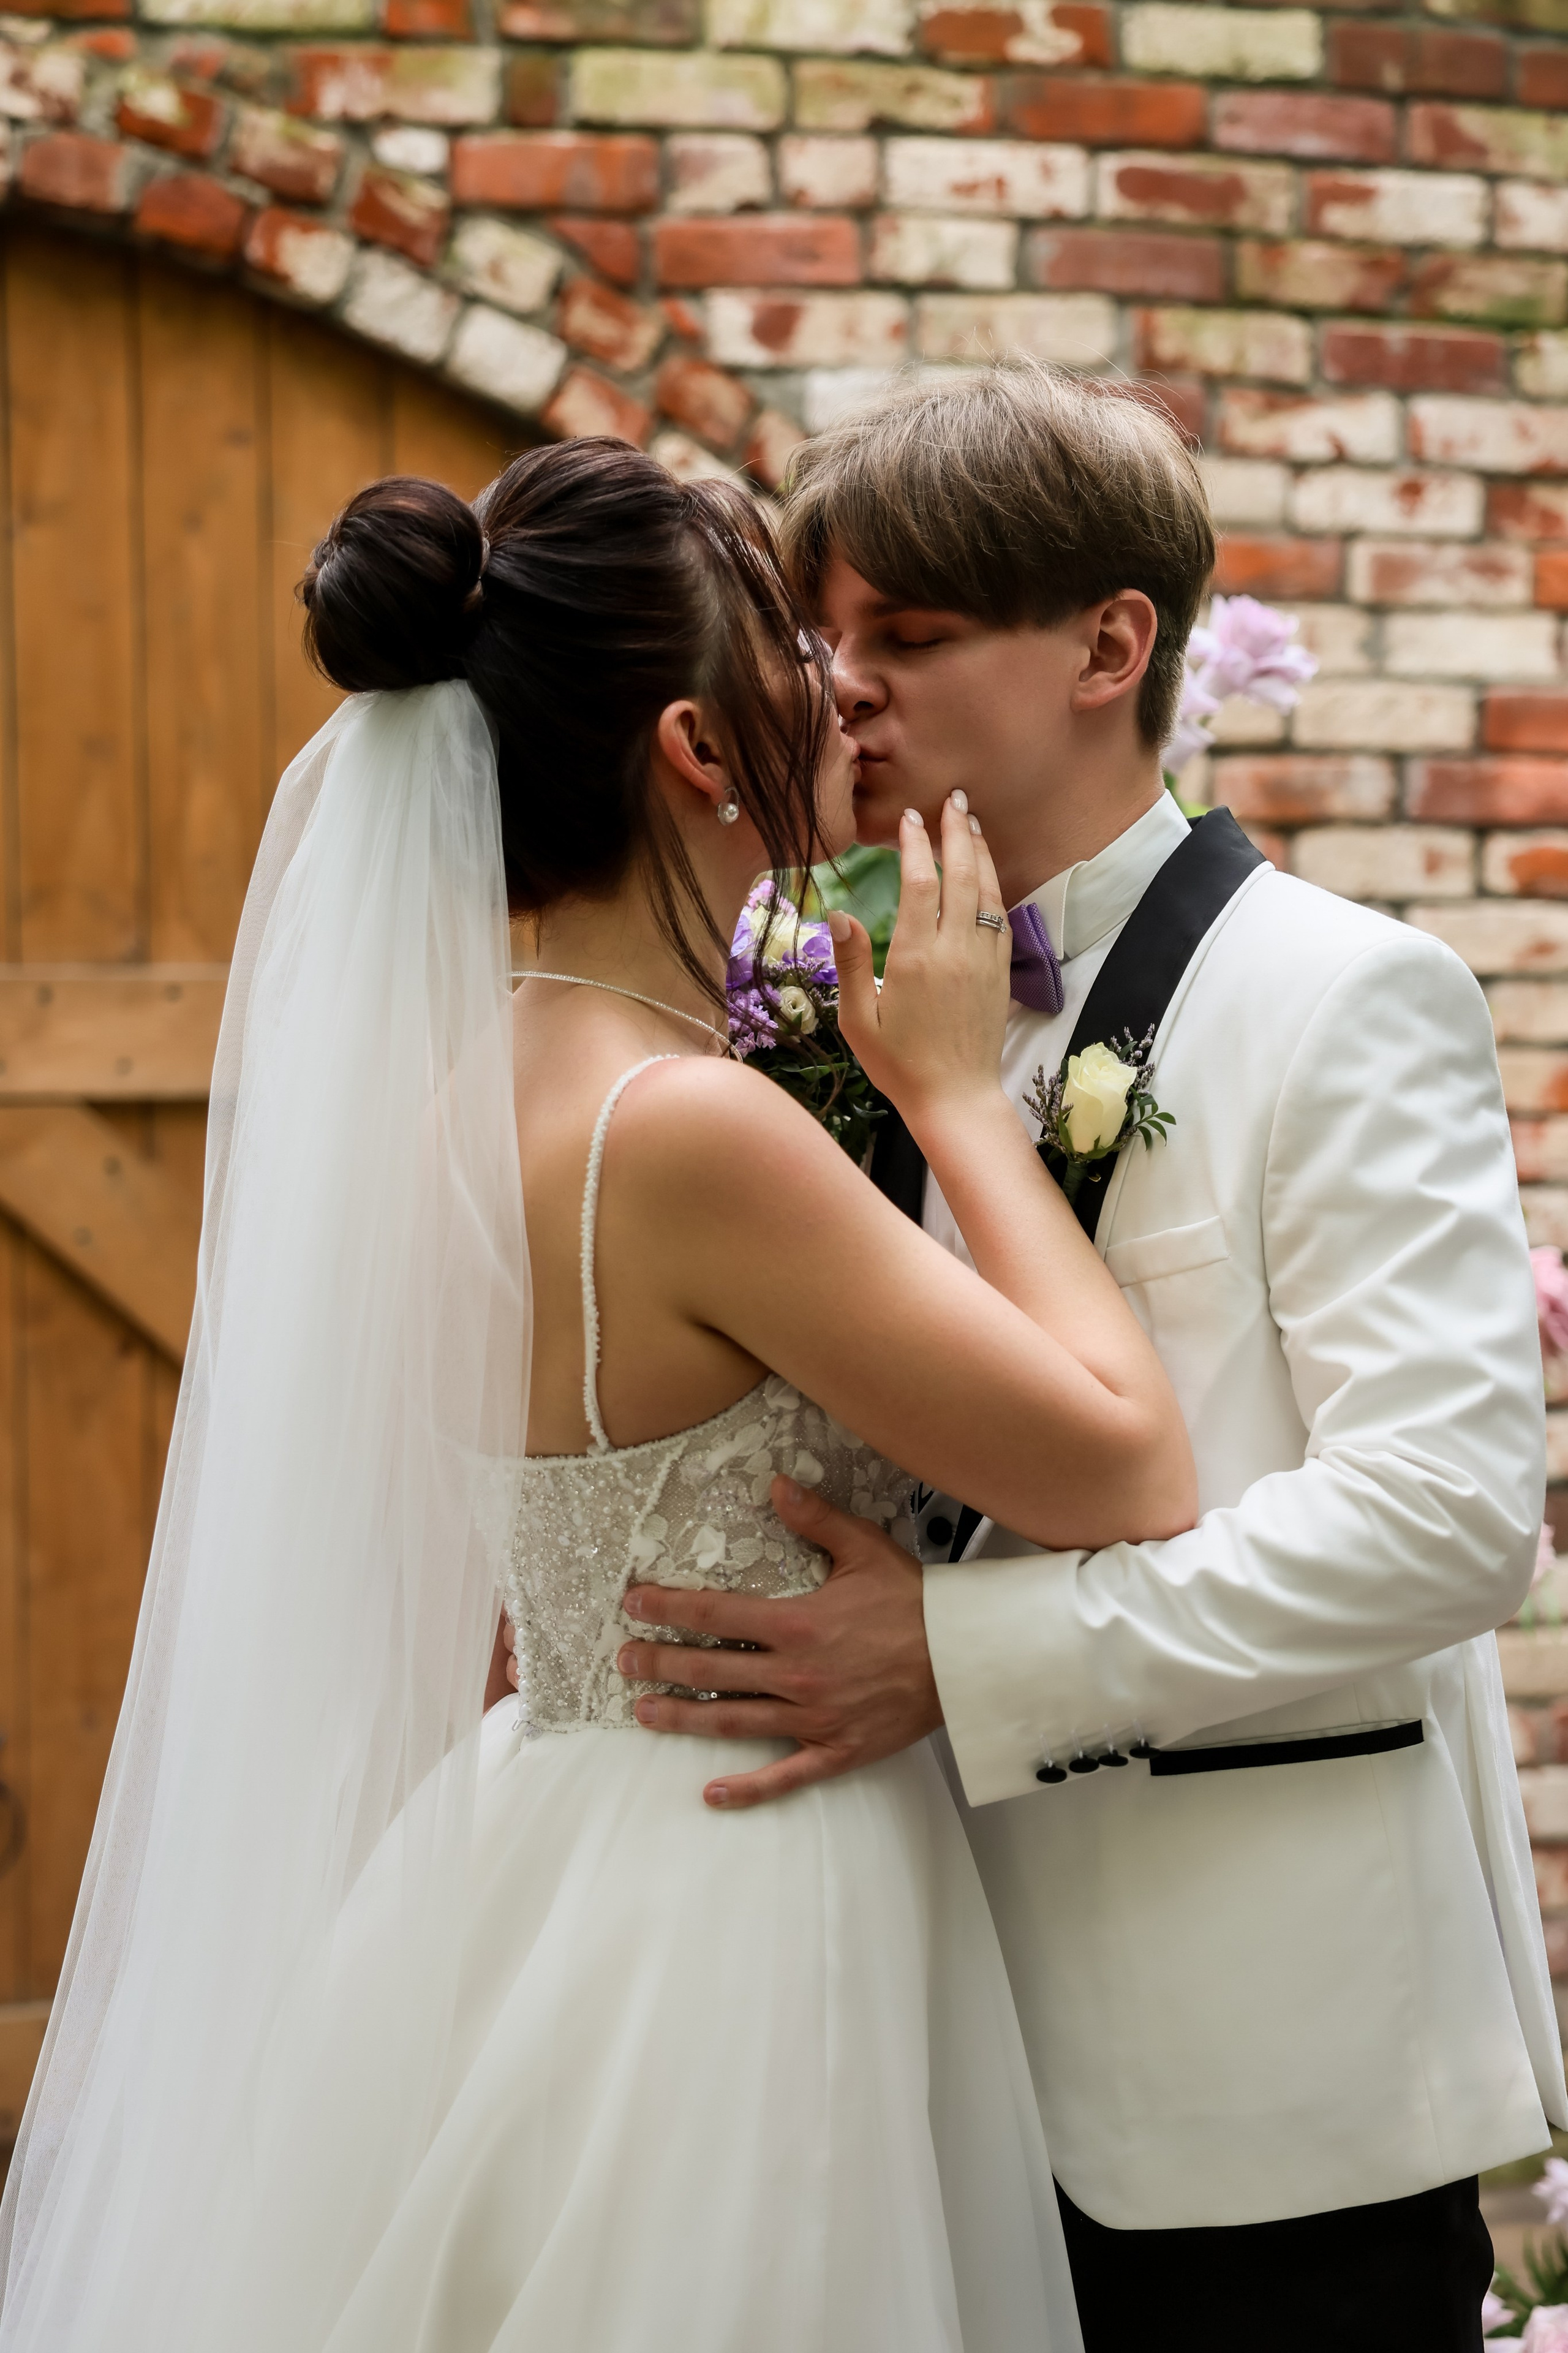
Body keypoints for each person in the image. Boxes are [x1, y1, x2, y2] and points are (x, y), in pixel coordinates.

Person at [0, 438, 1197, 2351]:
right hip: (738, 1888)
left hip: (525, 1846)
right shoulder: (689, 1127)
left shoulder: (450, 1103)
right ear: (701, 752)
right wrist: (962, 1096)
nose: (840, 685)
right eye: (794, 651)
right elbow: (1129, 1469)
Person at [612, 363, 1566, 2353]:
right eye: (822, 639)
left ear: (1112, 646)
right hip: (903, 2059)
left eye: (913, 634)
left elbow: (1446, 1523)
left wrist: (957, 1662)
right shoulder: (819, 1009)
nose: (842, 687)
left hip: (1257, 2088)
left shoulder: (1345, 995)